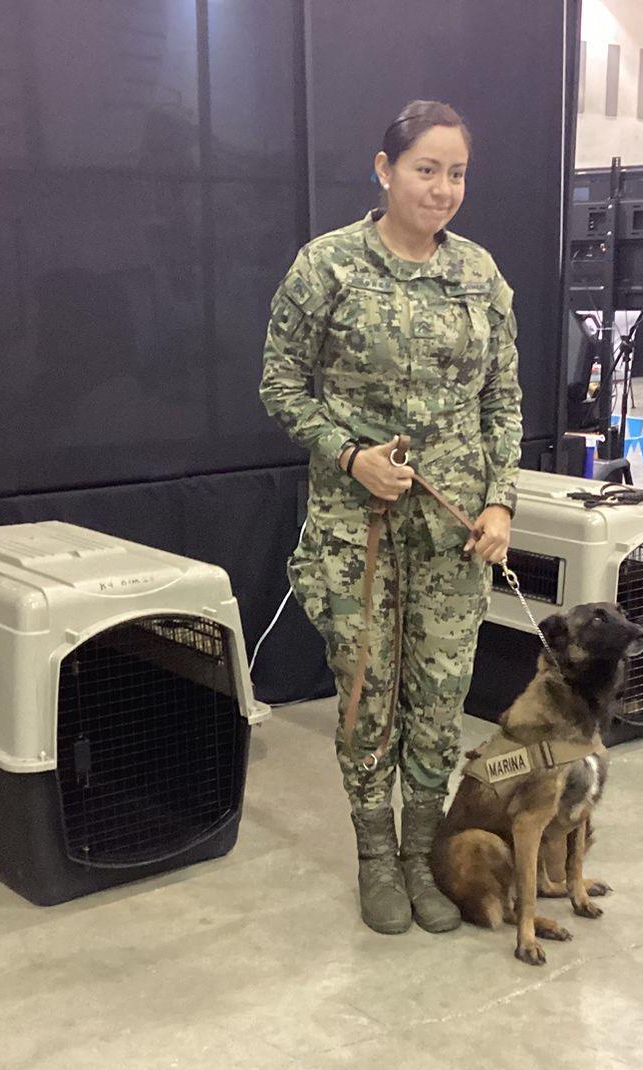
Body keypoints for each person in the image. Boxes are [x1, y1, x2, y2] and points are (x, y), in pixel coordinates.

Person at [259, 100, 524, 935]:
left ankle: (422, 855)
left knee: (442, 699)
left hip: (453, 533)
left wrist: (499, 501)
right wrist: (348, 454)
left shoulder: (480, 276)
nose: (442, 189)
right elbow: (280, 384)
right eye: (425, 169)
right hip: (355, 529)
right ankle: (375, 855)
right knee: (367, 697)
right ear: (384, 169)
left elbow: (503, 400)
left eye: (456, 173)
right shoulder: (328, 266)